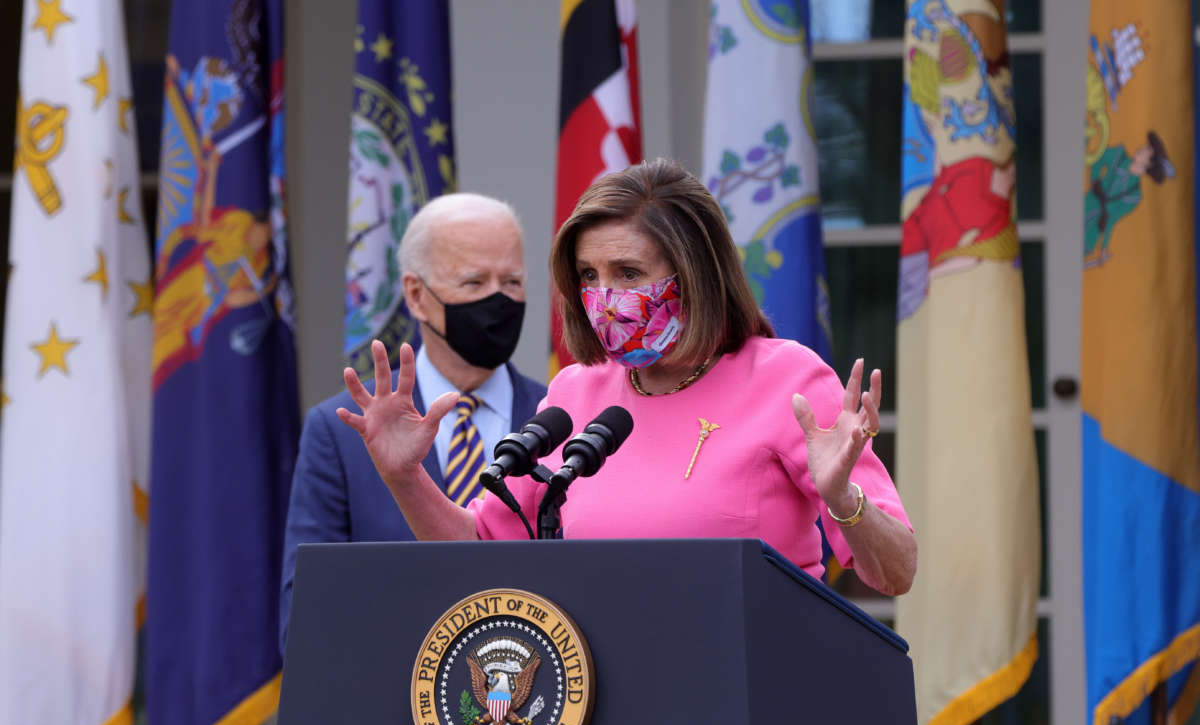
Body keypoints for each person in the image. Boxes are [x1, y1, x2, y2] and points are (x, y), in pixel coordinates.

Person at [338, 160, 917, 596]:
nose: (606, 298)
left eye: (629, 272)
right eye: (589, 275)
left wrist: (843, 498)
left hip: (749, 700)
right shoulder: (575, 392)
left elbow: (896, 572)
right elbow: (482, 557)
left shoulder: (786, 379)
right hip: (598, 713)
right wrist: (405, 476)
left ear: (695, 275)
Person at [279, 193, 547, 650]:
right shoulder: (340, 430)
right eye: (474, 281)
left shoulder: (559, 418)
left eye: (512, 281)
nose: (498, 300)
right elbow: (305, 621)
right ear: (417, 295)